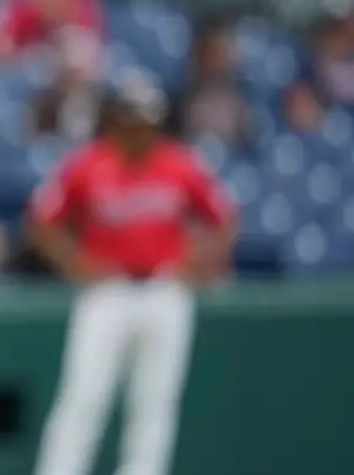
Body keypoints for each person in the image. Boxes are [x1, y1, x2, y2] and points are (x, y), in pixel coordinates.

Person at [26, 80, 238, 475]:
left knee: (155, 402)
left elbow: (224, 219)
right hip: (109, 292)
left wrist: (196, 263)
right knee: (85, 396)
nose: (139, 130)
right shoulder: (90, 164)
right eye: (131, 121)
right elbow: (43, 221)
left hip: (164, 289)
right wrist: (76, 264)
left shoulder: (180, 164)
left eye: (146, 122)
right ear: (114, 122)